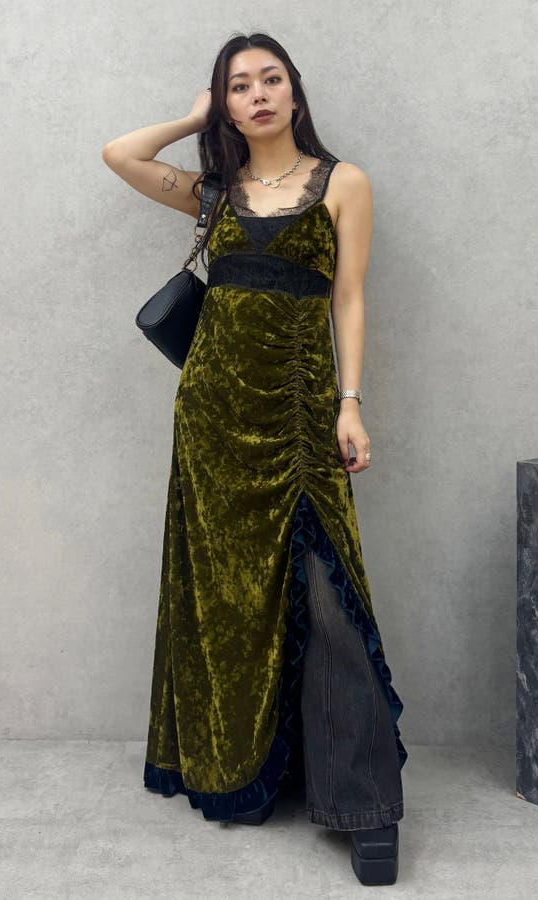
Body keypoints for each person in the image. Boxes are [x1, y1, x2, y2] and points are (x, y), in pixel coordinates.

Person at [102, 32, 408, 886]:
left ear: (295, 92)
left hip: (302, 414)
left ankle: (365, 806)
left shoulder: (343, 183)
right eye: (239, 86)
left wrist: (351, 402)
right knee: (227, 595)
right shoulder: (213, 192)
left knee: (327, 592)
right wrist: (189, 118)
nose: (259, 94)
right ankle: (238, 766)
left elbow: (349, 298)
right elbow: (120, 154)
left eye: (271, 79)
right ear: (227, 105)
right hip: (211, 416)